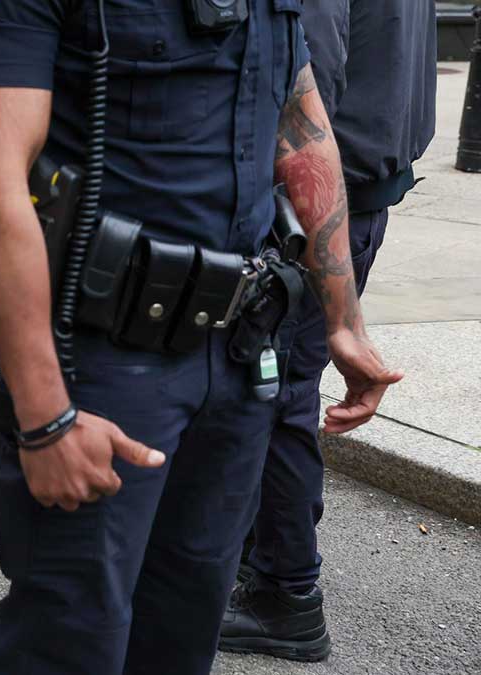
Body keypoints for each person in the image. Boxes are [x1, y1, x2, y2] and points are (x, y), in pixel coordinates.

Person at [0, 0, 402, 673]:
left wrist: (344, 321)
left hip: (238, 359)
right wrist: (44, 417)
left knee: (183, 632)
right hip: (102, 367)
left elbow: (300, 128)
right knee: (69, 637)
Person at [221, 0, 437, 662]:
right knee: (281, 385)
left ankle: (284, 592)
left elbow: (305, 67)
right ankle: (260, 563)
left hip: (319, 197)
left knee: (277, 392)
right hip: (356, 186)